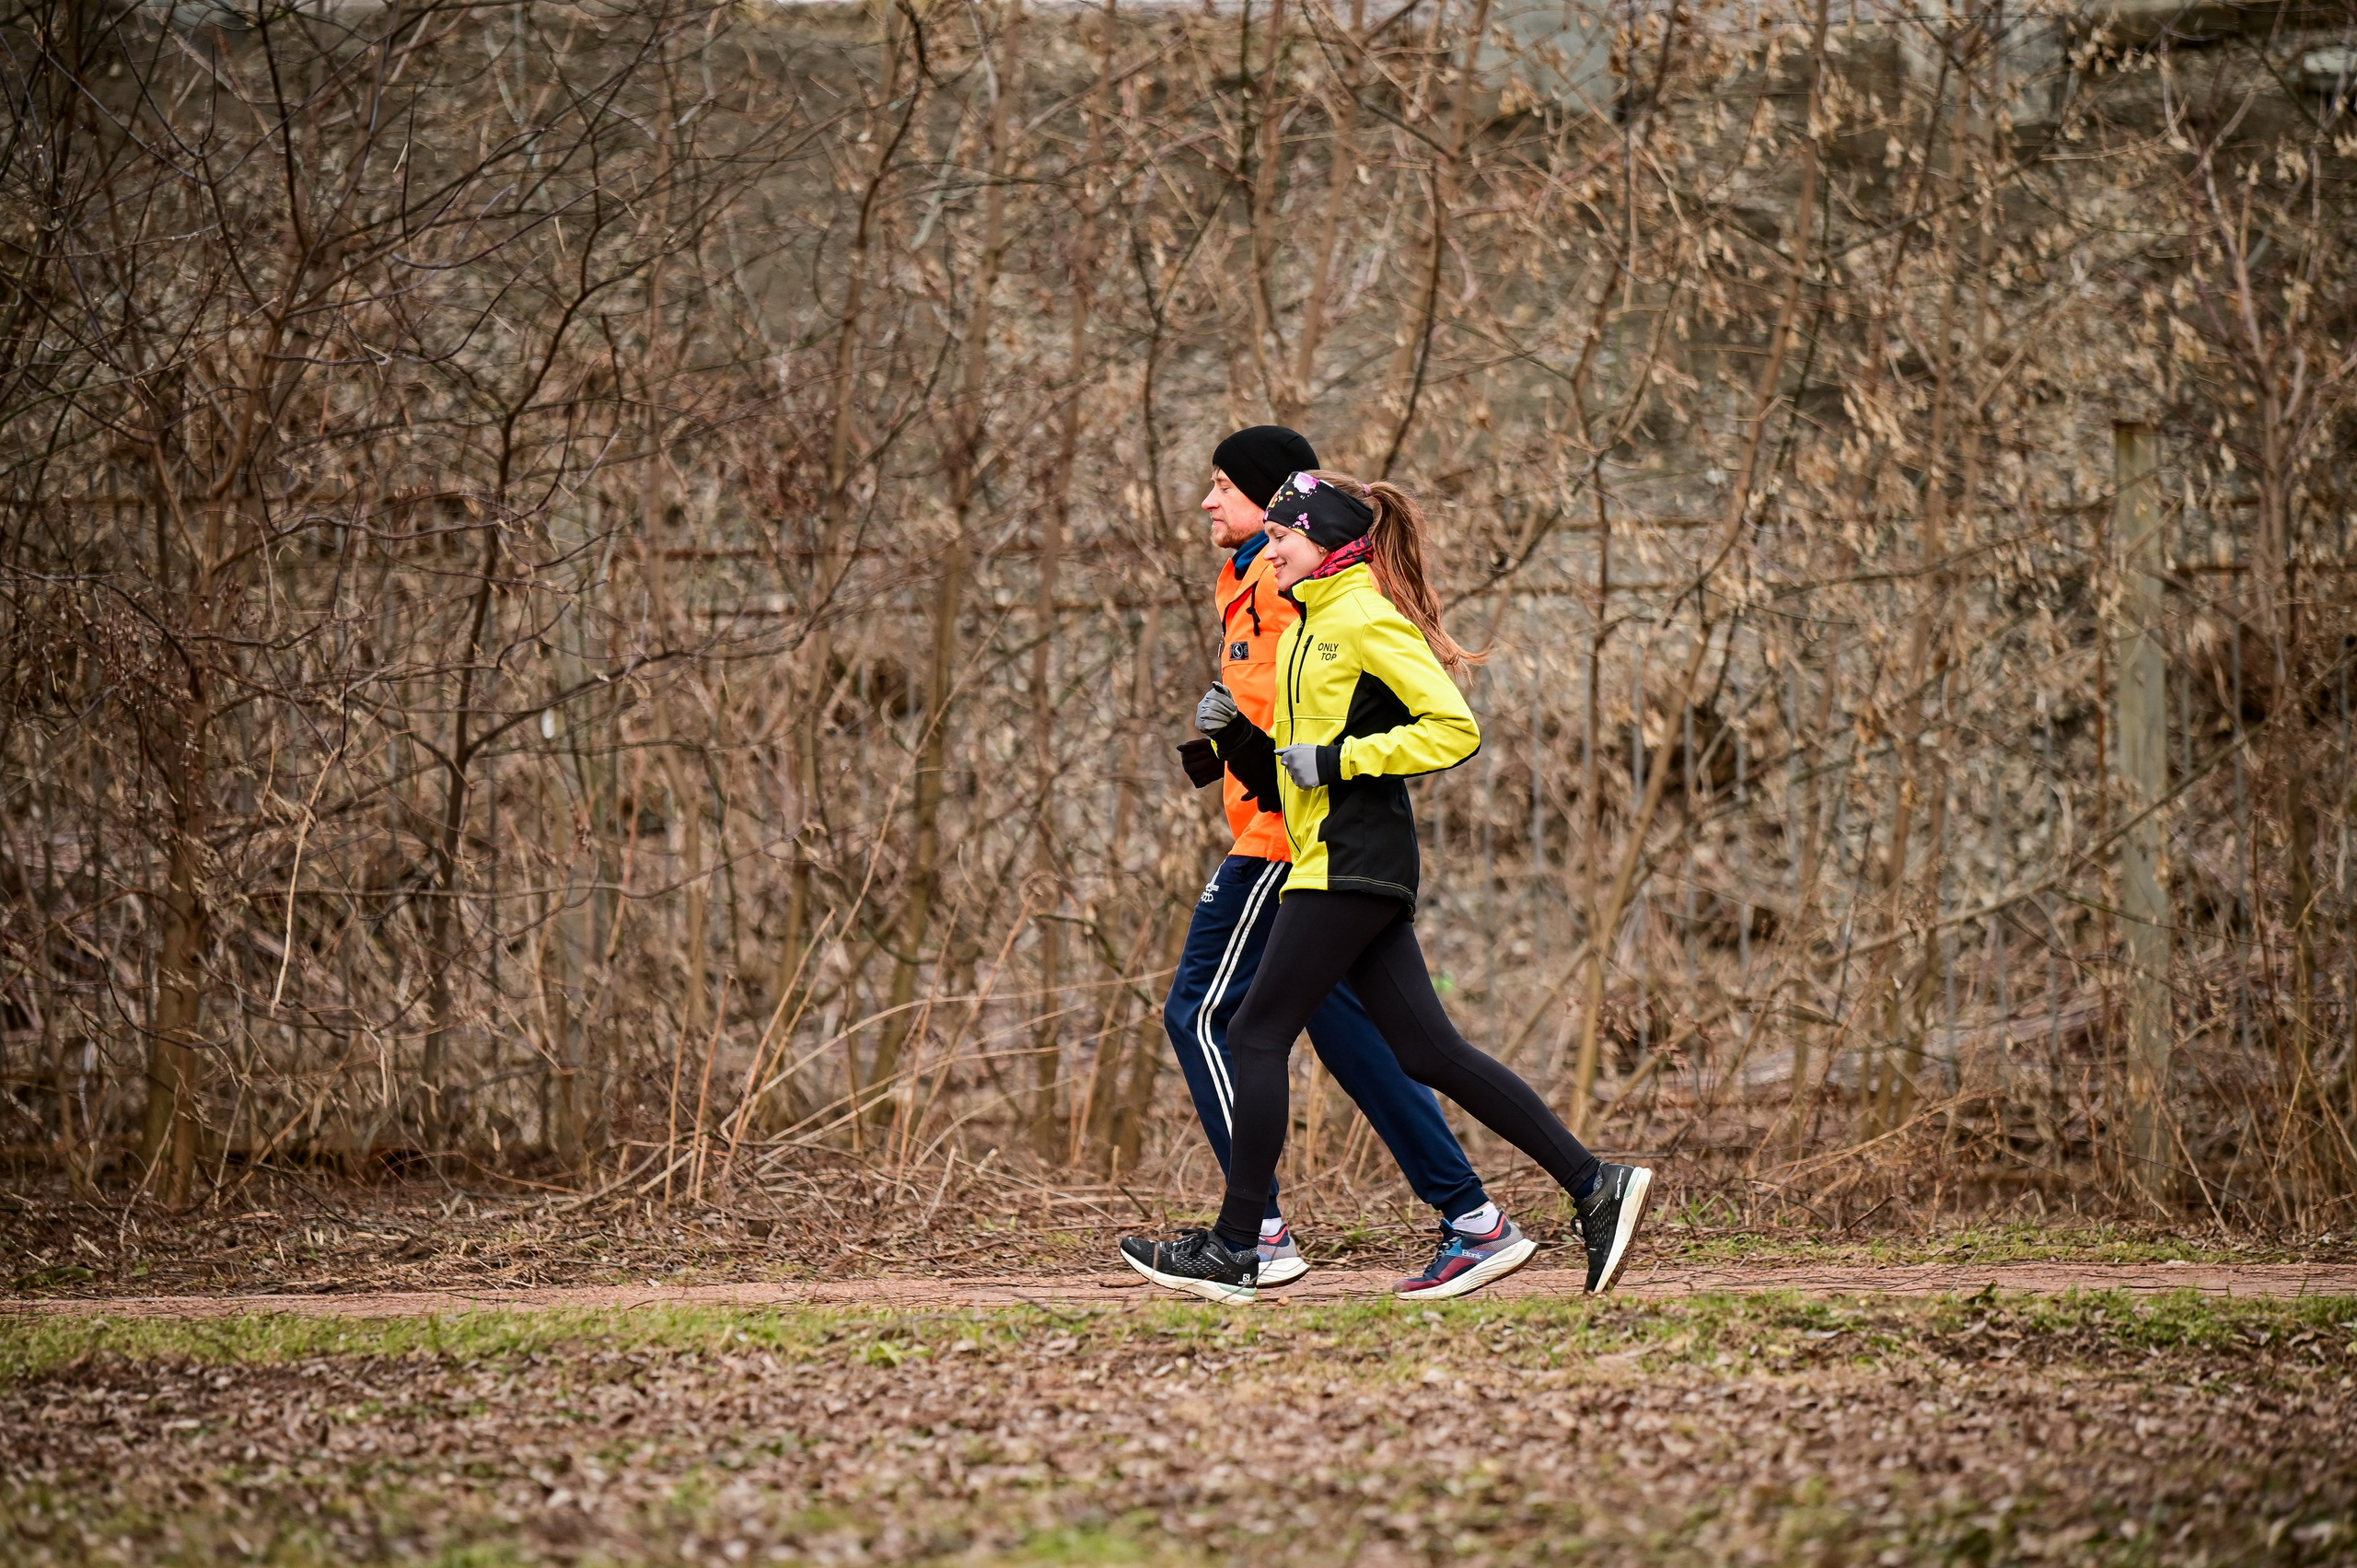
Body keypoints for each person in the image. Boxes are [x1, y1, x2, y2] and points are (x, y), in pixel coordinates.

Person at [1122, 469, 1656, 1305]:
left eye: (1285, 539)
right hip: (1326, 856)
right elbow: (1298, 766)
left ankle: (1238, 1246)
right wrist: (1238, 744)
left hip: (1350, 859)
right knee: (1428, 1051)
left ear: (1326, 542)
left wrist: (1341, 759)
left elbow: (1453, 727)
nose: (1272, 552)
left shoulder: (1366, 617)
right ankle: (1596, 1184)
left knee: (1255, 1033)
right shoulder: (1306, 625)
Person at [1147, 425, 1523, 1299]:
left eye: (1225, 488)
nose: (1209, 502)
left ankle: (1254, 1234)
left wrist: (1269, 757)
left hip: (1291, 842)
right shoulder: (1250, 585)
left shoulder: (1296, 591)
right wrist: (1232, 745)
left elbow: (1334, 725)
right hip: (1298, 838)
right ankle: (1474, 1217)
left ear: (1284, 511)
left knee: (1205, 1017)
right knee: (1363, 1039)